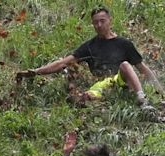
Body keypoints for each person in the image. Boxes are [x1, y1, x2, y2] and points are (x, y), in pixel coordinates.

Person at [16, 5, 163, 111]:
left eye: (102, 21)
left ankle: (142, 101)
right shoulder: (89, 46)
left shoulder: (124, 44)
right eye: (95, 22)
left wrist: (160, 92)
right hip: (101, 87)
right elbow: (63, 63)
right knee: (82, 96)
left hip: (121, 83)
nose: (99, 25)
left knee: (125, 65)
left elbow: (143, 69)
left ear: (110, 20)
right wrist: (36, 71)